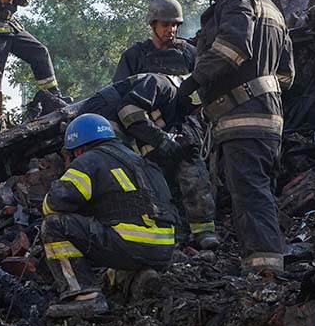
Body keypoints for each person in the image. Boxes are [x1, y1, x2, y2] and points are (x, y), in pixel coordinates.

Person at [177, 0, 295, 274]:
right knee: (260, 192)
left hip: (243, 119)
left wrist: (194, 83)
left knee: (250, 195)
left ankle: (264, 273)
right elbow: (287, 75)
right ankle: (265, 264)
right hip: (270, 118)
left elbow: (233, 48)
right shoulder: (272, 8)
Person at [41, 113, 178, 317]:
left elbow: (54, 204)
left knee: (53, 225)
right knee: (112, 262)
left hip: (130, 243)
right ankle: (134, 278)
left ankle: (84, 298)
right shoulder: (141, 161)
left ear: (78, 148)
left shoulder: (88, 160)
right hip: (165, 249)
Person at [79, 73, 219, 250]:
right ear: (194, 97)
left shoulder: (176, 111)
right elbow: (130, 112)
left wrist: (173, 149)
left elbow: (148, 143)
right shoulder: (161, 84)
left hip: (123, 130)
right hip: (99, 120)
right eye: (198, 109)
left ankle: (199, 229)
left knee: (174, 164)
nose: (196, 114)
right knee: (126, 176)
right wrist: (165, 141)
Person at [112, 0, 197, 82]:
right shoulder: (134, 56)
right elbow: (119, 90)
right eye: (165, 24)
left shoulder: (189, 53)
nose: (171, 30)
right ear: (153, 25)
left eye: (174, 25)